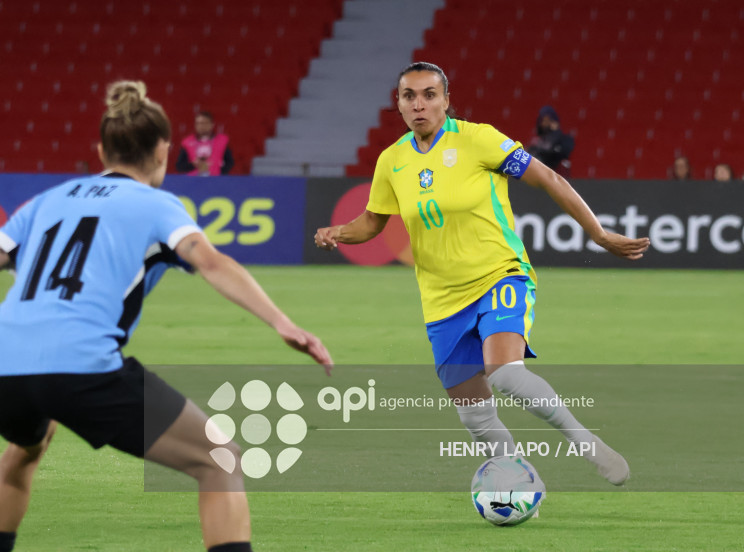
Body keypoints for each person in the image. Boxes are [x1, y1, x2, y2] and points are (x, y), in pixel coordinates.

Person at [0, 81, 332, 552]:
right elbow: (211, 262)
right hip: (77, 366)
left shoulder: (46, 201)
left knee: (27, 447)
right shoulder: (157, 205)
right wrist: (281, 323)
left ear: (102, 150)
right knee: (220, 460)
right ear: (165, 150)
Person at [314, 62, 650, 486]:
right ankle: (523, 481)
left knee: (506, 372)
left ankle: (584, 442)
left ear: (446, 101)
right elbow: (374, 222)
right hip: (441, 299)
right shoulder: (392, 161)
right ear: (398, 104)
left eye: (429, 95)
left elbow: (546, 177)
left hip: (499, 275)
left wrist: (597, 233)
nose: (419, 104)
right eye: (409, 96)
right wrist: (338, 233)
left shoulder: (479, 140)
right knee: (473, 413)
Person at [176, 111, 234, 176]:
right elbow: (179, 166)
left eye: (204, 123)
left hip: (215, 181)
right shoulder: (187, 142)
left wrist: (218, 171)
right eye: (198, 123)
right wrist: (193, 165)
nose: (201, 126)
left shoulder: (222, 141)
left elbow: (230, 163)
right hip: (193, 182)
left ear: (212, 124)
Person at [526, 105, 574, 176]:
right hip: (538, 175)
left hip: (555, 176)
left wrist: (555, 131)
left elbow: (559, 154)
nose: (544, 123)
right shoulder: (537, 140)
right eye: (543, 121)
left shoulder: (565, 139)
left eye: (548, 121)